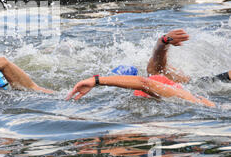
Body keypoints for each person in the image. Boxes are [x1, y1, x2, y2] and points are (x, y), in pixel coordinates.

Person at [0, 29, 229, 108]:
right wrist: (163, 42)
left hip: (110, 89)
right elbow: (150, 77)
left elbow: (149, 79)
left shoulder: (42, 94)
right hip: (113, 89)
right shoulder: (41, 93)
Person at [67, 29, 230, 107]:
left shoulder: (189, 98)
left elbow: (146, 82)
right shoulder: (193, 91)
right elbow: (152, 76)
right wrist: (163, 42)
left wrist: (96, 80)